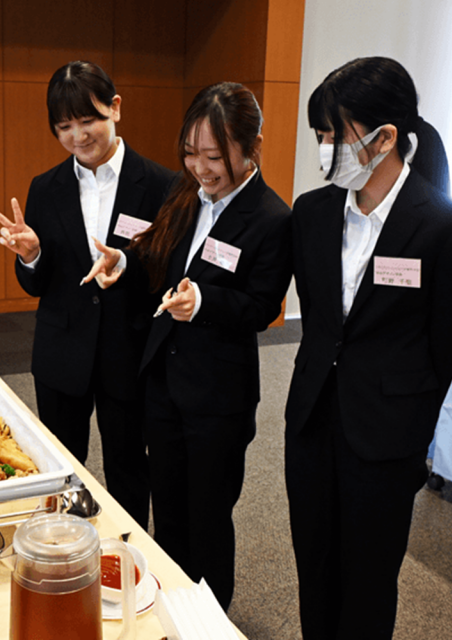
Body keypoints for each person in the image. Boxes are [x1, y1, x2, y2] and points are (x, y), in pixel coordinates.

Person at [284, 56, 452, 639]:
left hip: (386, 437)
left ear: (385, 138)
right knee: (314, 569)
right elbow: (321, 321)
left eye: (334, 134)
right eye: (319, 135)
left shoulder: (447, 227)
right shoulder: (312, 212)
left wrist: (411, 428)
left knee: (368, 582)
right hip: (312, 421)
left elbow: (446, 347)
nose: (325, 149)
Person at [84, 82, 292, 607]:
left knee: (208, 518)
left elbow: (262, 306)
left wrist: (204, 301)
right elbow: (157, 254)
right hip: (163, 383)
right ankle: (170, 609)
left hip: (217, 396)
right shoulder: (185, 193)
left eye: (215, 157)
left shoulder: (271, 217)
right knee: (169, 512)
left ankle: (210, 619)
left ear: (252, 147)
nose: (201, 168)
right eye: (191, 153)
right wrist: (124, 261)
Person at [0, 61, 175, 529]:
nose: (78, 136)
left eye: (88, 120)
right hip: (61, 351)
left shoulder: (161, 184)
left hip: (128, 350)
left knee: (129, 469)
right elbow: (36, 285)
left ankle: (128, 553)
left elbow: (167, 271)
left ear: (115, 108)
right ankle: (60, 551)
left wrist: (126, 265)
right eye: (64, 127)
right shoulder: (45, 188)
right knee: (57, 467)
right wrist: (31, 256)